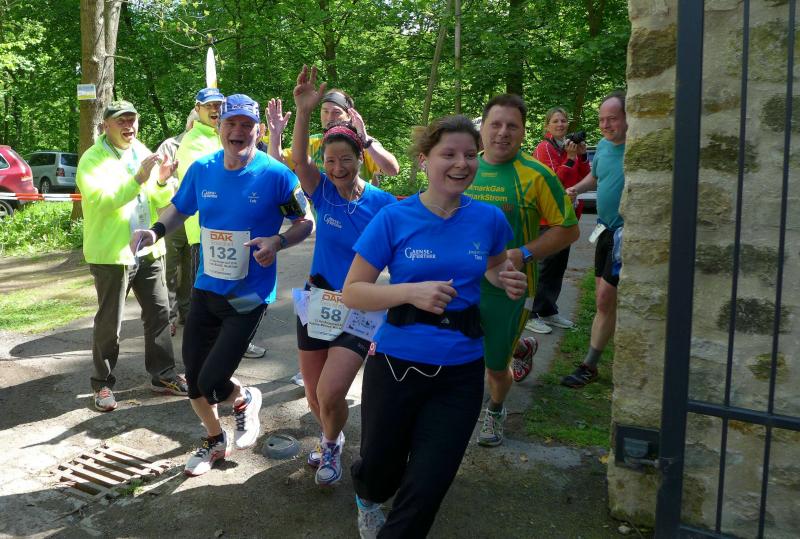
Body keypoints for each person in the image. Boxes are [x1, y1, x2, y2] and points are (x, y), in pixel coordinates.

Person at [342, 115, 527, 538]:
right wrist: (410, 293)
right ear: (424, 160)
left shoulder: (489, 219)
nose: (462, 163)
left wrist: (505, 278)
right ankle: (368, 497)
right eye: (449, 154)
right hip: (395, 365)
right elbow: (353, 292)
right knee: (381, 469)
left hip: (461, 369)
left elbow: (495, 265)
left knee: (429, 482)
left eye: (470, 155)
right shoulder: (394, 218)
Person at [131, 94, 314, 476]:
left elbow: (305, 222)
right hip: (206, 288)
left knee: (213, 381)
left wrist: (277, 241)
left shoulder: (276, 175)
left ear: (257, 131)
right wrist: (155, 231)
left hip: (249, 295)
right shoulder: (203, 169)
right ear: (219, 128)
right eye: (231, 123)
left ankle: (245, 397)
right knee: (194, 381)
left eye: (247, 125)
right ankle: (215, 439)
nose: (238, 131)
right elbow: (180, 208)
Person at [290, 65, 397, 486]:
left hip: (358, 307)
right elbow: (299, 159)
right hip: (317, 301)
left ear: (359, 161)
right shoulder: (322, 194)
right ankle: (330, 437)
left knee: (331, 391)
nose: (337, 168)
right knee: (314, 394)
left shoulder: (383, 204)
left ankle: (331, 443)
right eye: (330, 160)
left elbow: (406, 244)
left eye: (345, 160)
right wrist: (303, 113)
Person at [465, 94, 579, 446]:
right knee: (459, 353)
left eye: (512, 126)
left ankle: (496, 408)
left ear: (524, 131)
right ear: (482, 128)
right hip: (460, 283)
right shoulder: (462, 166)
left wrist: (523, 253)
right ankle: (519, 347)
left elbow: (568, 229)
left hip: (509, 288)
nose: (503, 132)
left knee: (495, 366)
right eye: (495, 124)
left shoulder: (537, 174)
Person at [76, 100, 187, 412]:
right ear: (106, 126)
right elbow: (101, 201)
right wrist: (138, 178)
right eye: (121, 121)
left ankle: (163, 375)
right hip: (112, 253)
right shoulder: (92, 159)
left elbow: (158, 200)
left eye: (132, 120)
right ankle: (101, 384)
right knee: (109, 322)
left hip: (148, 247)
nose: (129, 126)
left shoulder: (141, 151)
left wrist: (161, 180)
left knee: (160, 314)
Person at [176, 88, 267, 360]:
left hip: (243, 244)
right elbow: (195, 190)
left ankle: (233, 344)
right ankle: (214, 353)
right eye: (209, 106)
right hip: (205, 236)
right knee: (211, 297)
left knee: (239, 291)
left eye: (218, 105)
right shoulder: (194, 143)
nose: (214, 110)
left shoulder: (226, 137)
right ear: (198, 110)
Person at [563, 91, 627, 388]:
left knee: (604, 299)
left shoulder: (637, 148)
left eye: (612, 119)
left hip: (625, 234)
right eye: (602, 119)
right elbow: (595, 178)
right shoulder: (602, 146)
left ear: (627, 118)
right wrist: (576, 189)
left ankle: (589, 364)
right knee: (603, 300)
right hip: (604, 230)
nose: (605, 125)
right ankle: (594, 363)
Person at [524, 107, 591, 335]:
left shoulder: (566, 147)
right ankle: (530, 314)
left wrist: (581, 156)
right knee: (544, 266)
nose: (561, 124)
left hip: (566, 215)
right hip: (547, 216)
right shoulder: (544, 148)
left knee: (557, 266)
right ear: (547, 126)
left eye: (564, 120)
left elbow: (584, 177)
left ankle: (547, 309)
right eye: (556, 121)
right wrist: (570, 159)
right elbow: (554, 182)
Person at [271, 86, 400, 187]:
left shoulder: (364, 143)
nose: (329, 117)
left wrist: (365, 141)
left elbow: (392, 170)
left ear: (349, 115)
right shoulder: (314, 142)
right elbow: (276, 166)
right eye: (325, 111)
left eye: (336, 112)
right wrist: (275, 135)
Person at [157, 110, 199, 336]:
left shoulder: (212, 143)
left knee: (190, 269)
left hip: (195, 218)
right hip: (173, 214)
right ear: (190, 125)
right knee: (170, 270)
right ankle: (169, 317)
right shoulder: (170, 146)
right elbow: (159, 179)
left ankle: (187, 313)